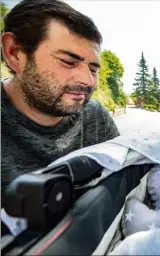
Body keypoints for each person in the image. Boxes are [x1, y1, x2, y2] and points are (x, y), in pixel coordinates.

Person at [1, 0, 120, 193]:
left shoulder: (95, 117)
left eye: (93, 69)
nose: (88, 81)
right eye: (68, 62)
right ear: (15, 54)